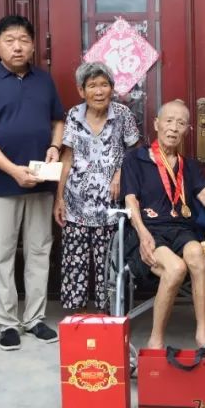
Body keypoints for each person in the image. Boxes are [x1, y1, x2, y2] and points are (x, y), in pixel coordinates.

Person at [0, 14, 65, 351]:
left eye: (24, 39)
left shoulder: (43, 80)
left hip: (40, 181)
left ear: (33, 43)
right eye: (9, 40)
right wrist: (12, 170)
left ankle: (35, 319)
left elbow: (58, 122)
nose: (17, 46)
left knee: (40, 251)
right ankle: (8, 323)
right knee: (3, 254)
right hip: (0, 184)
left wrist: (54, 147)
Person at [120, 100, 205, 350]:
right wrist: (142, 234)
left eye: (181, 123)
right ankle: (155, 342)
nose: (174, 128)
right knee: (175, 269)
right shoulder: (136, 159)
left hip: (181, 230)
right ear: (156, 124)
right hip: (149, 231)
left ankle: (203, 335)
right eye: (169, 121)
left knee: (196, 254)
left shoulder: (190, 166)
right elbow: (130, 200)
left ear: (187, 130)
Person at [54, 62, 140, 312]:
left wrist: (120, 173)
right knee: (74, 264)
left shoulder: (122, 114)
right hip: (76, 204)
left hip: (110, 207)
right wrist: (59, 198)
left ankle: (109, 316)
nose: (99, 91)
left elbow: (135, 153)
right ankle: (77, 318)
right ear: (82, 91)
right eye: (92, 85)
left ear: (112, 88)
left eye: (104, 84)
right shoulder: (73, 115)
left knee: (109, 263)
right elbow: (67, 158)